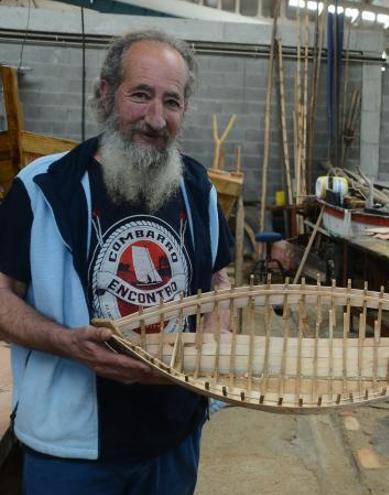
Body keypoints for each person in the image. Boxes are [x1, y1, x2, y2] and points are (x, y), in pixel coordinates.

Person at [0, 30, 233, 494]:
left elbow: (218, 280)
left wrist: (214, 328)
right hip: (73, 448)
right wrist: (66, 342)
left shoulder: (196, 187)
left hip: (175, 435)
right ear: (106, 94)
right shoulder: (44, 187)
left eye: (172, 101)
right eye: (140, 95)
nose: (155, 118)